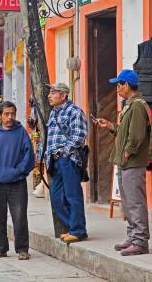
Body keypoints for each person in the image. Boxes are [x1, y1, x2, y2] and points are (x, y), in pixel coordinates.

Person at [96, 69, 151, 256]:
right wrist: (111, 126)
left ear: (127, 85)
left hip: (132, 161)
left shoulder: (137, 106)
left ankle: (140, 241)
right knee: (128, 202)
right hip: (125, 162)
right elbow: (124, 131)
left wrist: (128, 152)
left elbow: (136, 135)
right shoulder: (130, 105)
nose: (117, 88)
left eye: (119, 85)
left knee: (135, 202)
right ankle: (133, 236)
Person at [0, 101, 35, 261]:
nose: (10, 117)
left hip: (17, 183)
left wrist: (19, 171)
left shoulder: (21, 133)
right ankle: (1, 248)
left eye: (12, 114)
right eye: (6, 114)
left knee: (19, 216)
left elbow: (29, 156)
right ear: (0, 116)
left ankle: (22, 249)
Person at [46, 82, 89, 244]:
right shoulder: (53, 113)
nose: (49, 96)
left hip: (68, 159)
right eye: (50, 93)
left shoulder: (75, 112)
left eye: (53, 93)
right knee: (56, 198)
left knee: (73, 195)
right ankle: (72, 227)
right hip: (54, 160)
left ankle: (78, 230)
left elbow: (79, 135)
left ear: (63, 96)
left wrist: (64, 152)